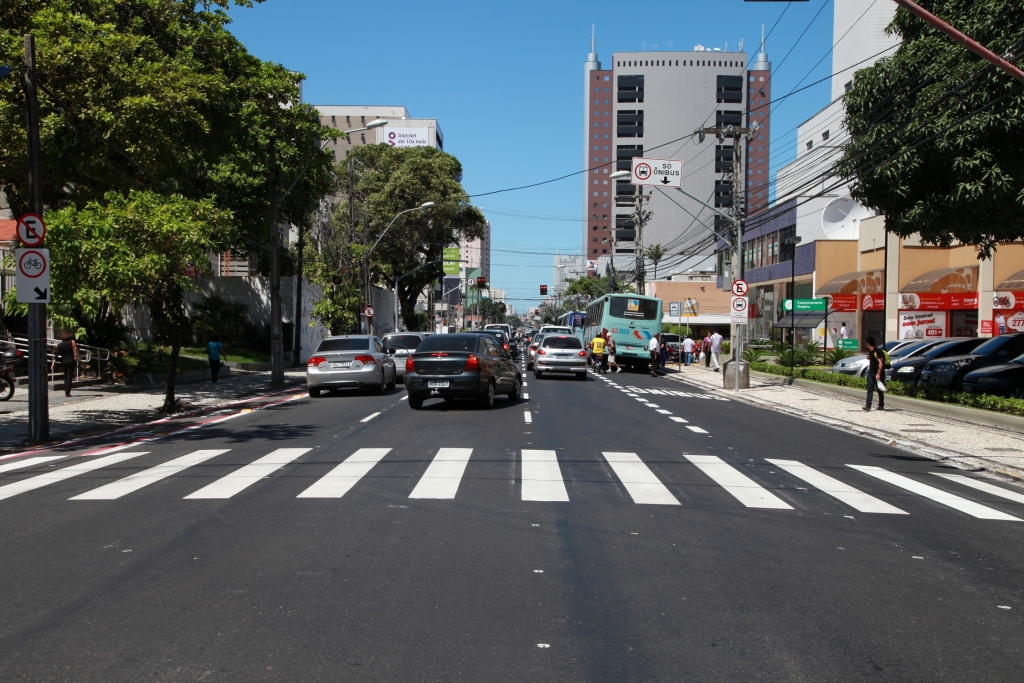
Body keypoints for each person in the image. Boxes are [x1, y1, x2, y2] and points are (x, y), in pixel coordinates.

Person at [51, 331, 78, 397]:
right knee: (69, 376)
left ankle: (66, 390)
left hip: (63, 362)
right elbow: (76, 350)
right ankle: (67, 392)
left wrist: (53, 363)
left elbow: (56, 354)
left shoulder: (60, 345)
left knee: (65, 376)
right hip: (71, 361)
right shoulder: (71, 343)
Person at [863, 336, 886, 411]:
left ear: (868, 343)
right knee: (870, 388)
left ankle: (881, 405)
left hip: (878, 373)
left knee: (879, 389)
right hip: (871, 372)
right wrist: (869, 357)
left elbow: (881, 363)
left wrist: (878, 374)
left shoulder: (878, 351)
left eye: (866, 343)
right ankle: (868, 405)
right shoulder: (871, 351)